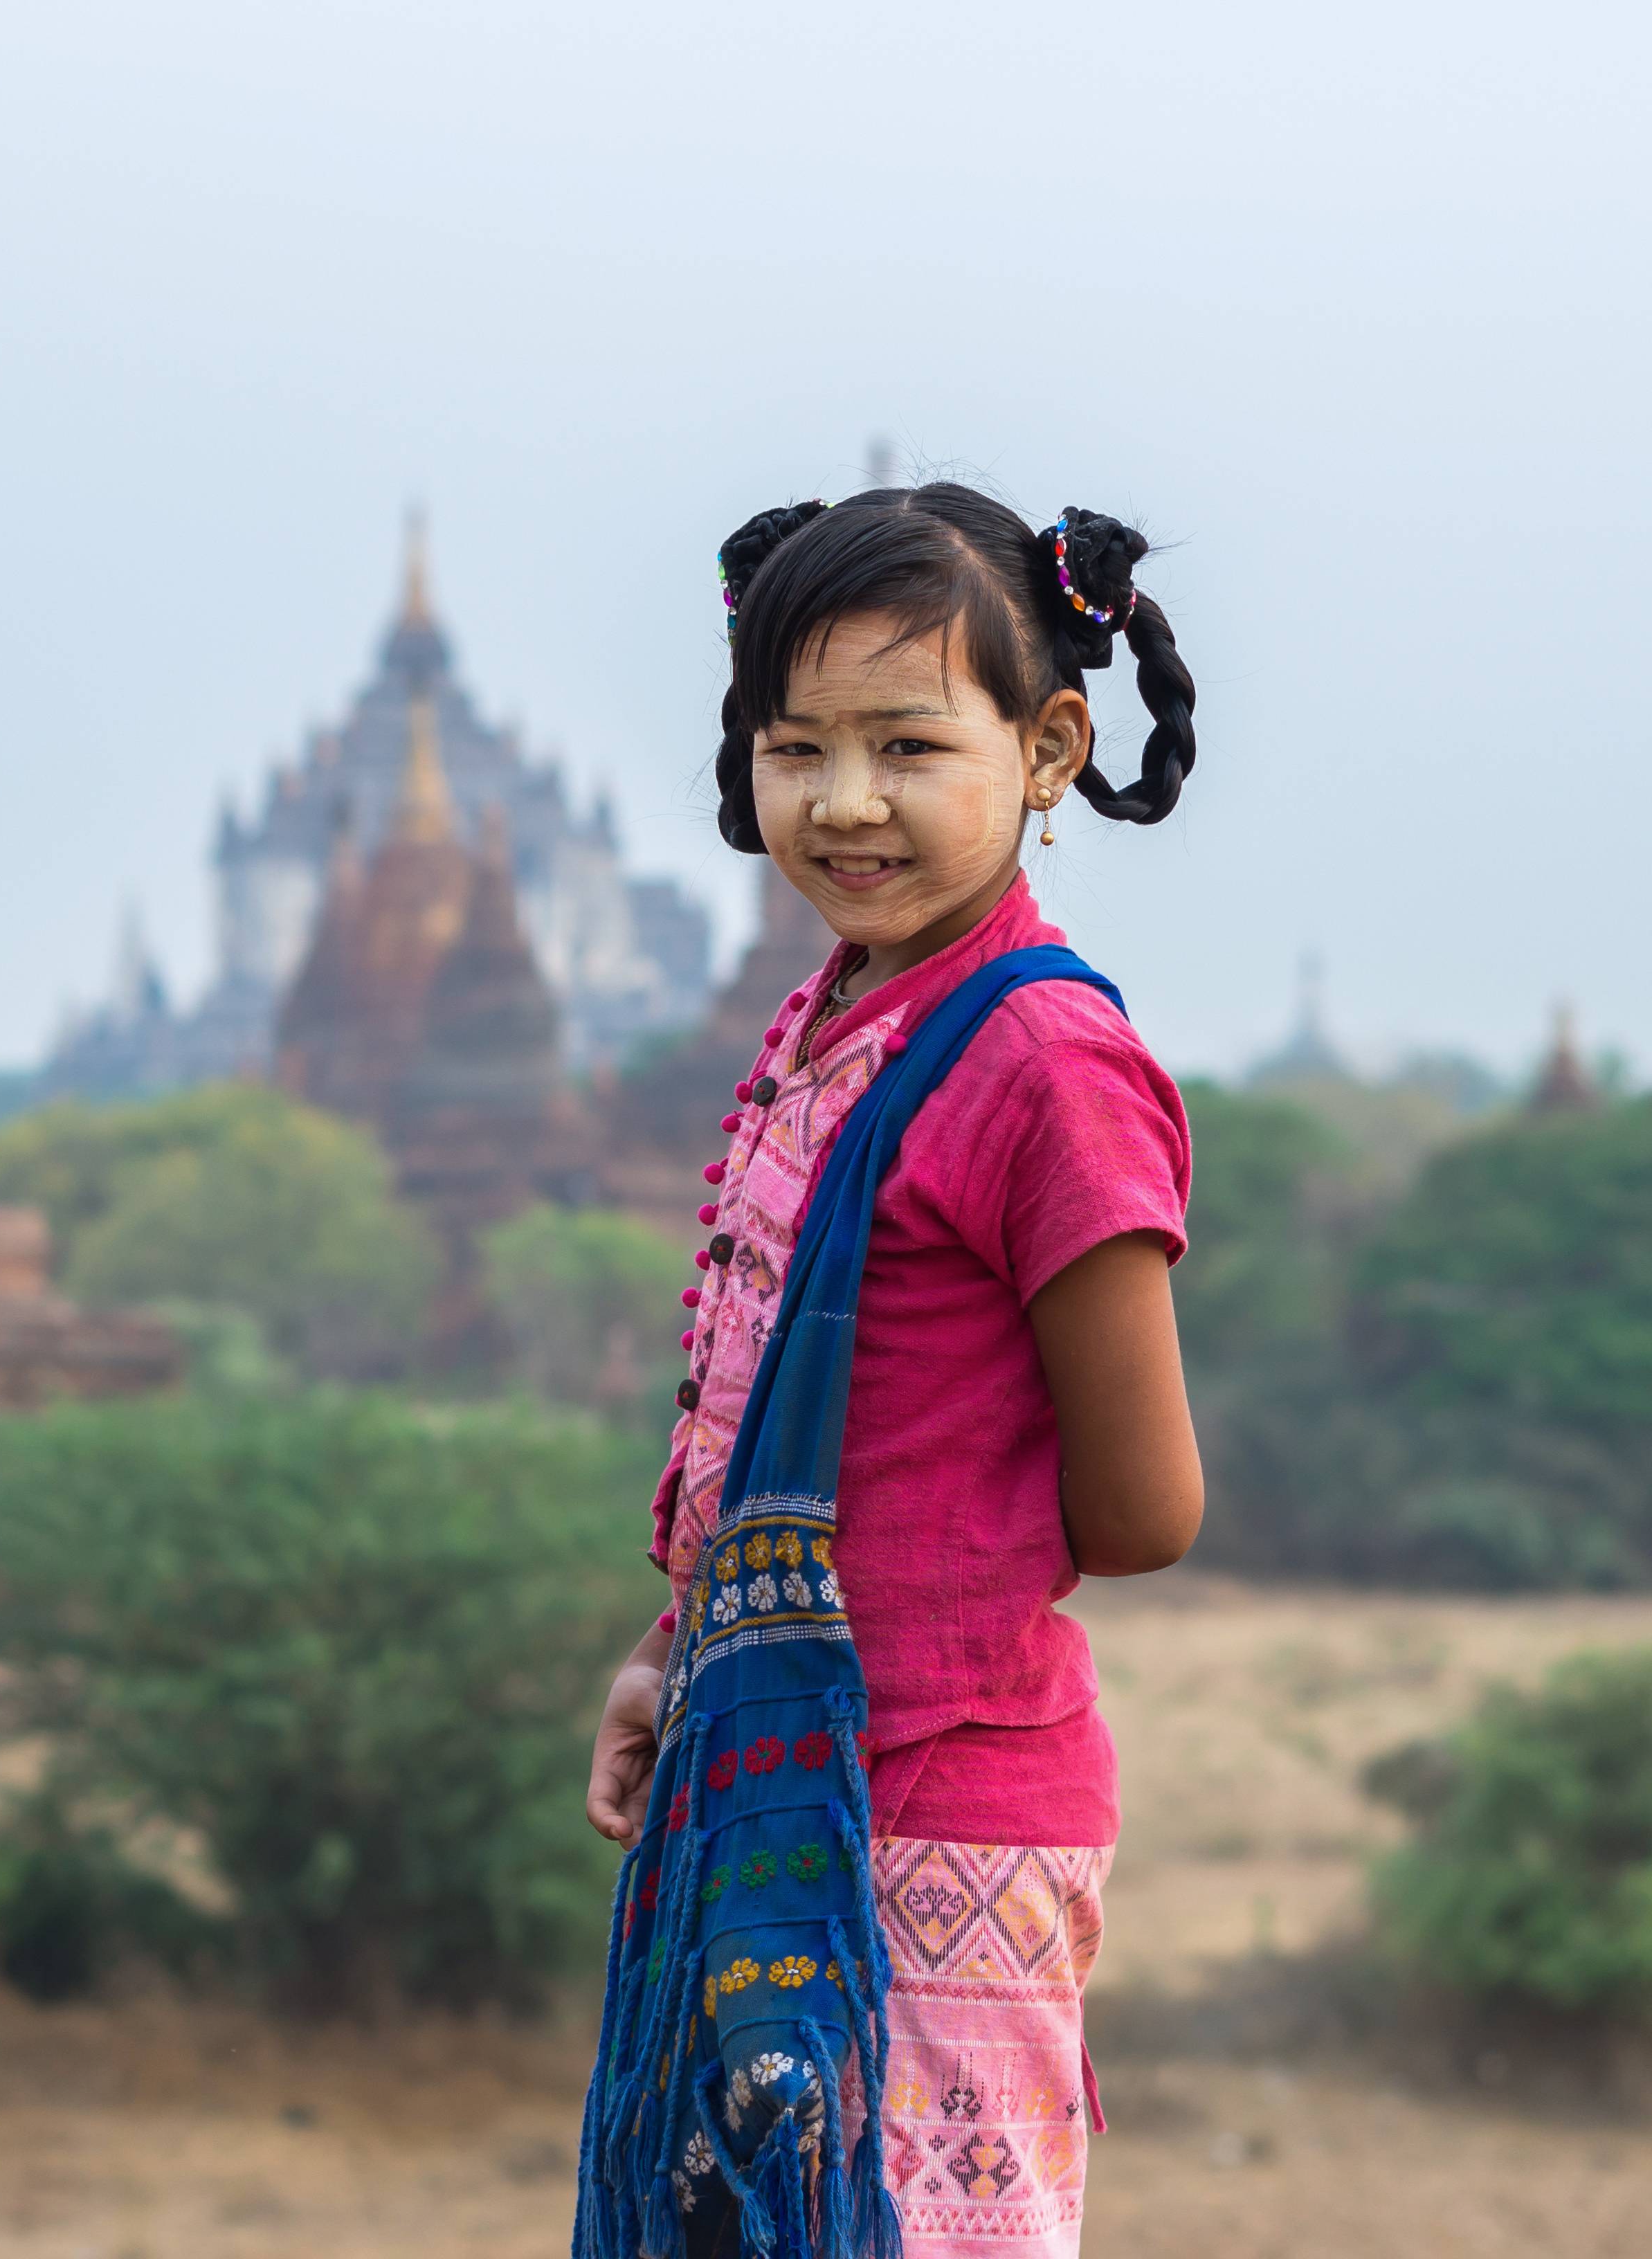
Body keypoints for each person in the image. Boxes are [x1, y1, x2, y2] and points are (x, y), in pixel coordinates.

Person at [574, 486, 1205, 2259]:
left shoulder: (1042, 1064)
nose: (845, 802)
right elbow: (788, 1427)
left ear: (1049, 748)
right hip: (776, 1783)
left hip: (942, 1809)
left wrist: (934, 1574)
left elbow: (1146, 1508)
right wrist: (669, 1654)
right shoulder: (836, 1018)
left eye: (908, 744)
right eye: (797, 748)